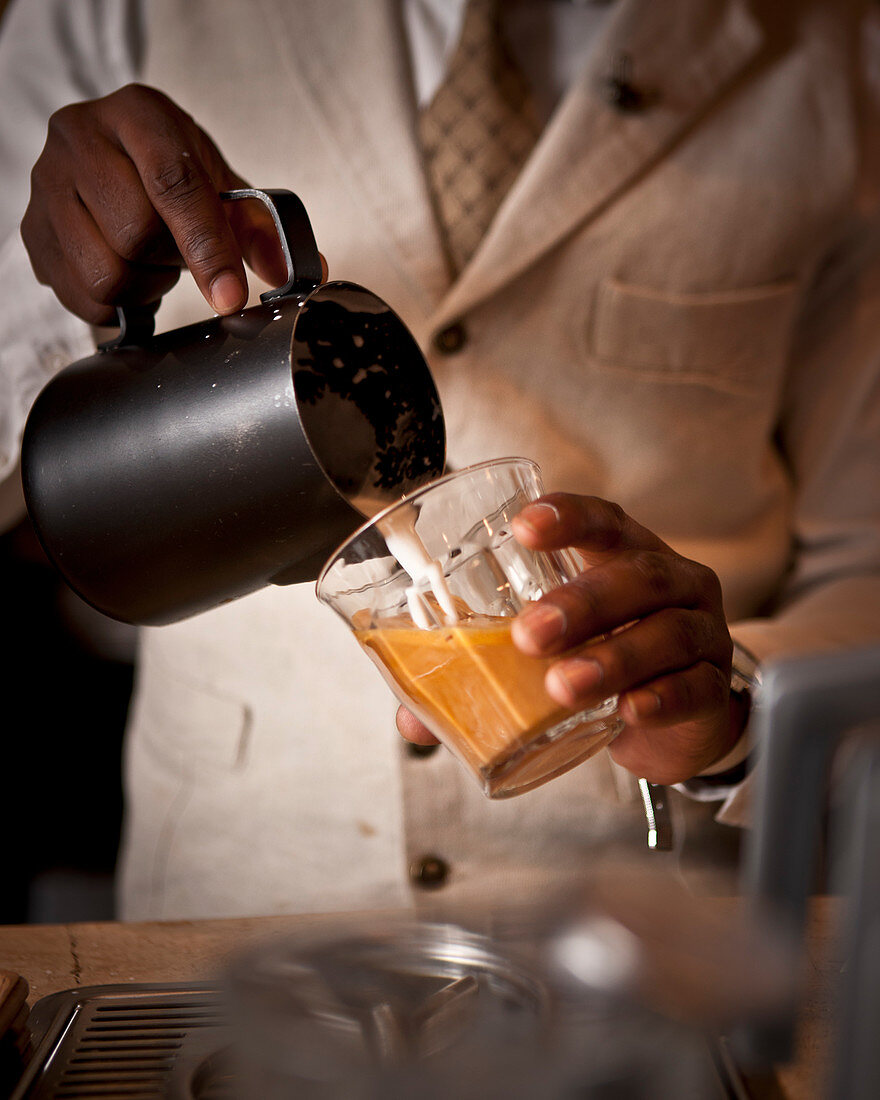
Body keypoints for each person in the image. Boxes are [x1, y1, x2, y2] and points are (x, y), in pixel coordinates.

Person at [1, 0, 878, 920]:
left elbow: (868, 566)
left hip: (652, 924)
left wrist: (733, 716)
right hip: (238, 910)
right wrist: (58, 288)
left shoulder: (843, 53)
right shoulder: (100, 10)